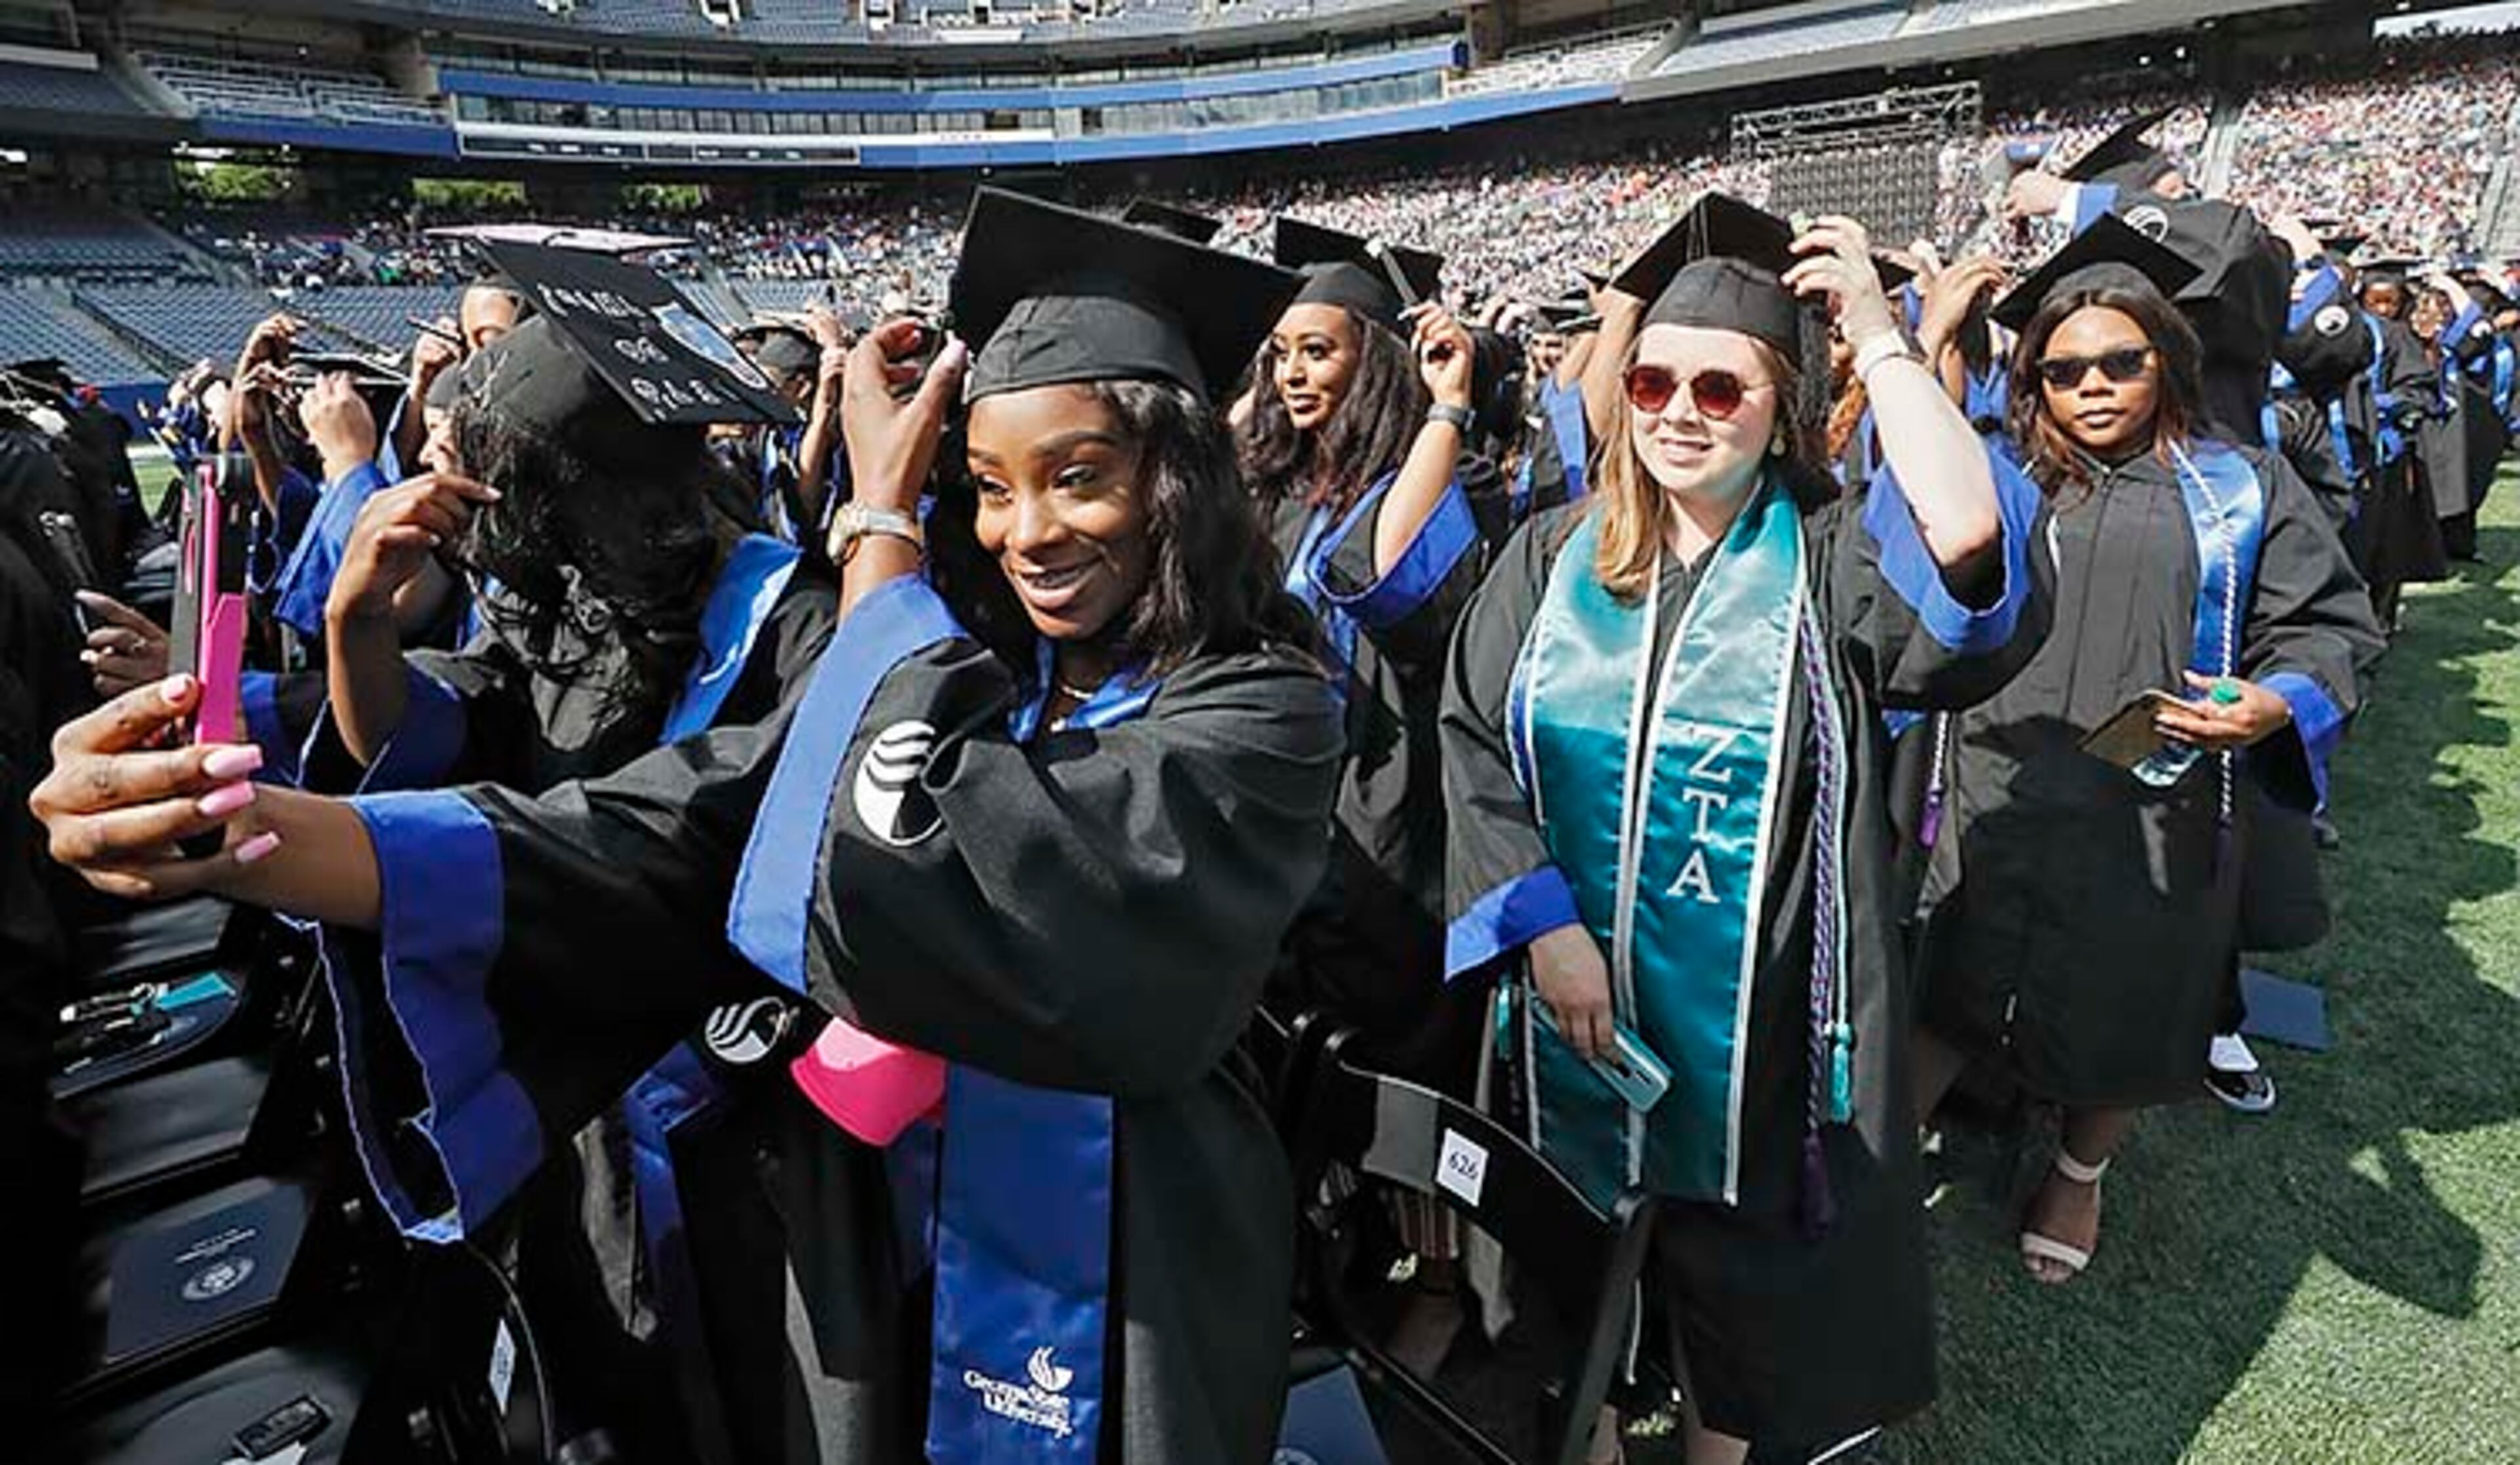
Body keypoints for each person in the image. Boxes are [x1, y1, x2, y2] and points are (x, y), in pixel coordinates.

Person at [33, 188, 1342, 1465]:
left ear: (1177, 479)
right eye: (990, 488)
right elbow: (656, 829)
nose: (1023, 531)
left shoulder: (1262, 716)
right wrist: (247, 827)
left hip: (1129, 1264)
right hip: (886, 1247)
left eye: (1079, 478)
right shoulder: (986, 671)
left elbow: (915, 846)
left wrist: (882, 531)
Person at [1442, 194, 2044, 1464]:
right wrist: (1542, 925)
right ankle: (1595, 1430)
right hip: (1563, 1009)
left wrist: (1882, 338)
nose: (1677, 409)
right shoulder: (1553, 552)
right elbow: (1470, 739)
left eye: (1723, 390)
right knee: (1569, 1244)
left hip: (1762, 1016)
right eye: (1655, 378)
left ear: (1781, 412)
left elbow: (1973, 541)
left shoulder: (1831, 563)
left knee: (1747, 1279)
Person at [1908, 219, 2384, 1286]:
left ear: (2168, 359)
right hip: (2003, 775)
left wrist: (2275, 699)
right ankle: (1893, 1148)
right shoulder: (2005, 472)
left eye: (2122, 361)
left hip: (2154, 804)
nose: (2093, 386)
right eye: (2063, 368)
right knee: (1955, 964)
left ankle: (2078, 1170)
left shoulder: (2243, 485)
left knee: (2130, 994)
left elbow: (2326, 627)